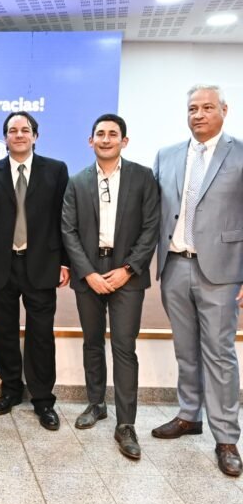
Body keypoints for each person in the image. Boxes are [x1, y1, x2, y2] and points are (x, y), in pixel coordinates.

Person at [152, 84, 243, 477]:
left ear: (224, 109)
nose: (199, 114)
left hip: (222, 270)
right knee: (185, 350)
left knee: (220, 354)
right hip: (175, 266)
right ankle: (189, 415)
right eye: (192, 108)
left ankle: (226, 438)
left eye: (207, 107)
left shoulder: (239, 154)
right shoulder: (168, 155)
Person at [62, 114, 160, 459]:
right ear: (91, 141)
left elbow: (151, 228)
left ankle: (126, 424)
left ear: (124, 141)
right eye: (99, 134)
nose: (106, 139)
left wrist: (129, 270)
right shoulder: (77, 181)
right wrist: (87, 273)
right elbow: (68, 231)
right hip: (89, 272)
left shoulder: (143, 177)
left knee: (123, 347)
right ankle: (95, 404)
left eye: (112, 134)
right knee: (91, 342)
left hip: (126, 274)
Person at [0, 111, 69, 430]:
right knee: (3, 330)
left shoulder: (55, 171)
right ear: (5, 138)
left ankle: (43, 399)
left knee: (41, 335)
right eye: (12, 130)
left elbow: (64, 219)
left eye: (25, 130)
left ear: (35, 136)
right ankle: (11, 389)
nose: (19, 135)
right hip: (1, 265)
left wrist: (65, 261)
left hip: (42, 263)